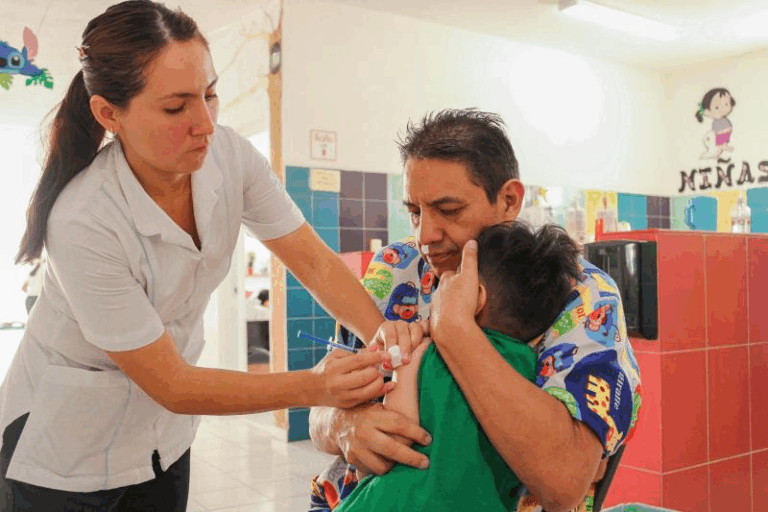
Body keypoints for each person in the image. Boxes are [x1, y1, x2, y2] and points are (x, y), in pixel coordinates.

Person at [0, 2, 416, 510]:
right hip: (63, 450)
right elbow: (172, 384)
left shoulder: (231, 158)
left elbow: (314, 262)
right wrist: (317, 386)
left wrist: (385, 347)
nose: (206, 124)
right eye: (176, 108)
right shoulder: (84, 220)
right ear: (109, 114)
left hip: (162, 441)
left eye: (211, 94)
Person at [309, 109, 642, 512]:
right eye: (415, 212)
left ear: (508, 200)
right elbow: (323, 397)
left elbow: (564, 483)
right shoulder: (397, 269)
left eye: (449, 211)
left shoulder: (576, 296)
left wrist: (455, 331)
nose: (424, 236)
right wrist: (340, 425)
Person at [335, 222, 582, 511]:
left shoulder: (423, 354)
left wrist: (408, 352)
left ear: (476, 298)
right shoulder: (534, 367)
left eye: (455, 277)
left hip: (400, 501)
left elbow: (393, 438)